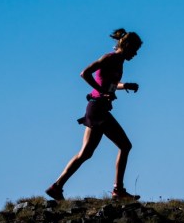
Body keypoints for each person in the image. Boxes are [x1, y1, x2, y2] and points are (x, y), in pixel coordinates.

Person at [46, 29, 143, 201]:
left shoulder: (119, 62)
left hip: (98, 108)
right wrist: (102, 92)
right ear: (127, 46)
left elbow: (110, 83)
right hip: (97, 108)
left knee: (85, 153)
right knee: (125, 146)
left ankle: (56, 187)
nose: (135, 54)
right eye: (134, 50)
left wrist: (125, 85)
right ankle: (118, 190)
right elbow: (85, 73)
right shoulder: (109, 58)